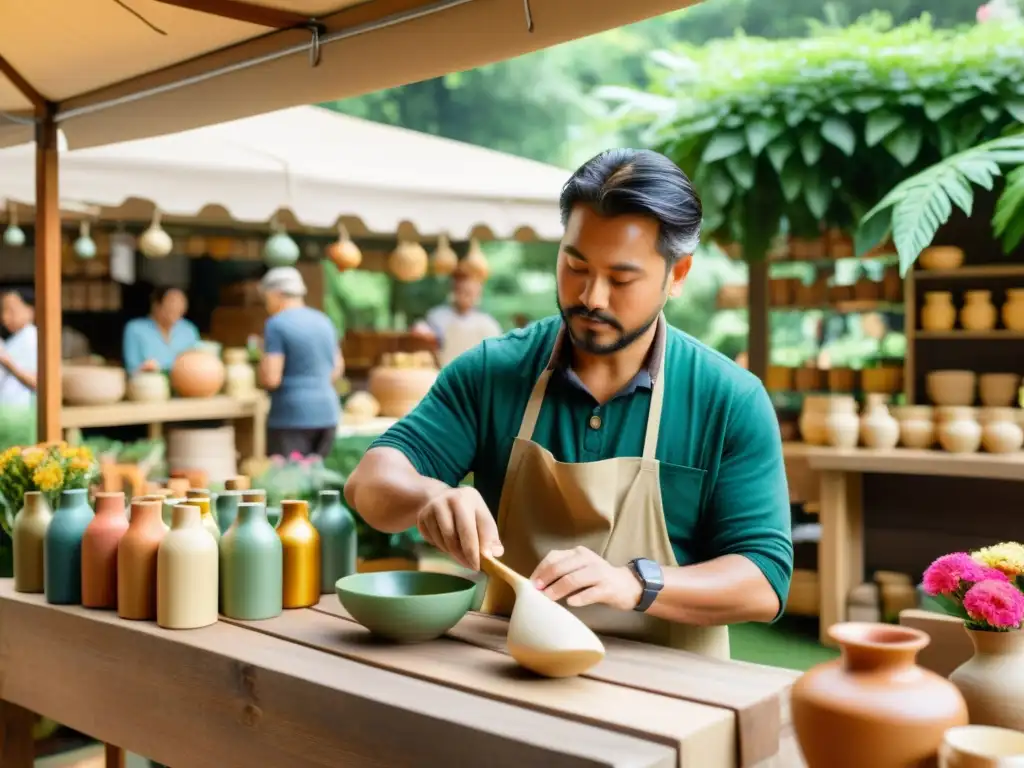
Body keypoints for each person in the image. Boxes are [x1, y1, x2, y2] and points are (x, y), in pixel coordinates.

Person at [345, 148, 792, 659]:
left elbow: (764, 579)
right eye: (575, 266)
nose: (592, 297)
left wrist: (635, 583)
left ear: (678, 274)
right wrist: (428, 496)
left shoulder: (729, 399)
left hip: (673, 699)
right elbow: (369, 484)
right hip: (512, 676)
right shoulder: (493, 372)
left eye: (621, 279)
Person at [258, 266, 342, 459]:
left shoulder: (276, 324)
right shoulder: (324, 321)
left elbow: (272, 378)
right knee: (314, 480)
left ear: (276, 294)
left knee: (289, 484)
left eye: (266, 298)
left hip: (291, 416)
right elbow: (336, 369)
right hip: (327, 413)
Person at [412, 270, 503, 367]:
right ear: (454, 291)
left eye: (471, 293)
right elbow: (427, 337)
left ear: (478, 293)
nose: (466, 297)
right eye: (462, 291)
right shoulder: (438, 316)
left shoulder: (488, 323)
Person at [122, 286, 200, 374]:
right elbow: (131, 368)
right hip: (148, 383)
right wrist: (144, 369)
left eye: (181, 303)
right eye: (172, 302)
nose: (176, 307)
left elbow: (196, 364)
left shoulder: (189, 330)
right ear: (156, 305)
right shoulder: (135, 328)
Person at [0, 288, 38, 405]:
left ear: (30, 311)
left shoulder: (32, 337)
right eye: (2, 311)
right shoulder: (16, 339)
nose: (4, 317)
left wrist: (7, 361)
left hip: (20, 410)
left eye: (11, 311)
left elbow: (37, 381)